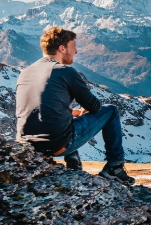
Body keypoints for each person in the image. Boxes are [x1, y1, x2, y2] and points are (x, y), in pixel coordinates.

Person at [15, 26, 135, 185]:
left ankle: (73, 160)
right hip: (56, 144)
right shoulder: (66, 71)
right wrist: (84, 110)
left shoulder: (25, 72)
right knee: (111, 110)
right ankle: (115, 167)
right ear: (62, 48)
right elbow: (95, 107)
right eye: (74, 47)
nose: (76, 51)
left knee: (66, 117)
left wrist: (73, 112)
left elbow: (39, 108)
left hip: (27, 144)